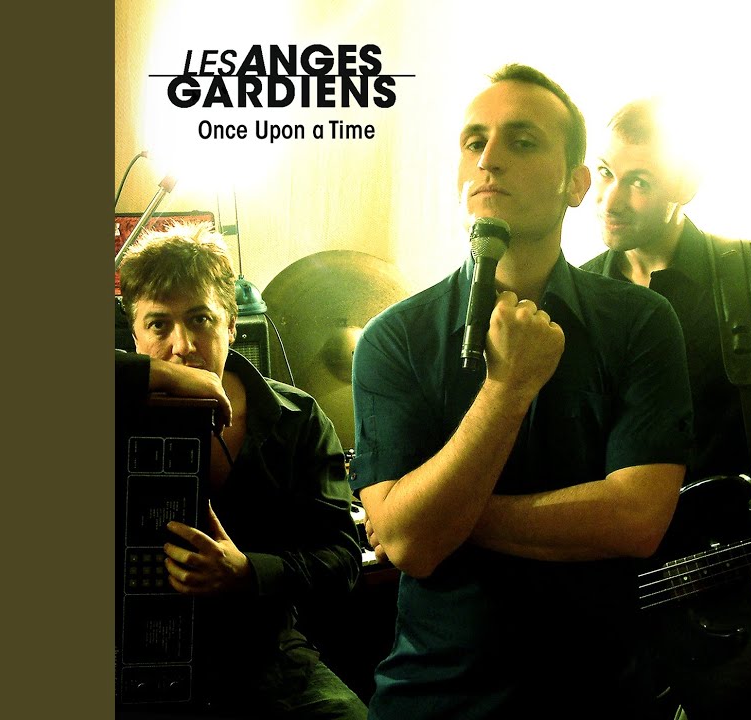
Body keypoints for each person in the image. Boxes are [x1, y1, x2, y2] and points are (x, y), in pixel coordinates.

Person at [349, 64, 693, 718]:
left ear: (576, 184)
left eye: (523, 140)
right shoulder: (394, 338)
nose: (488, 159)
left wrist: (438, 513)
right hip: (436, 700)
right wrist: (507, 389)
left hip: (599, 702)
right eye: (474, 141)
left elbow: (637, 518)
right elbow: (411, 547)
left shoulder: (642, 323)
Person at [580, 98, 751, 717]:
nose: (610, 199)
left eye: (640, 182)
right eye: (606, 172)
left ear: (684, 189)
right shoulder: (579, 294)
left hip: (722, 564)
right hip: (608, 574)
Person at [115, 222, 367, 720]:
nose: (183, 345)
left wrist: (249, 572)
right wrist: (153, 375)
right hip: (131, 661)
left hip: (264, 657)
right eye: (159, 325)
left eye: (200, 319)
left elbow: (343, 559)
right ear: (134, 335)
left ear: (231, 325)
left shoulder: (298, 418)